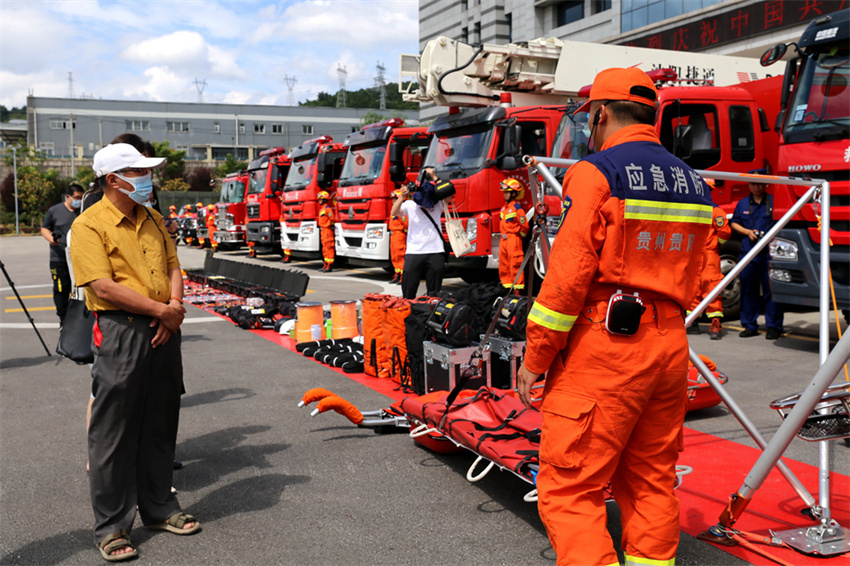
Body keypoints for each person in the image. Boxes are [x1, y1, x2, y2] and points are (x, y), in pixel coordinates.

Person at [516, 68, 714, 566]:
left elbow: (566, 279)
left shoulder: (595, 172)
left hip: (606, 348)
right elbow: (707, 277)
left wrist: (535, 358)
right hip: (669, 345)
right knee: (651, 481)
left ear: (600, 114)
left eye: (590, 119)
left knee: (569, 487)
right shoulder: (695, 183)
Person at [71, 143, 200, 562]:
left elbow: (173, 266)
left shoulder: (154, 218)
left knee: (160, 421)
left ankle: (160, 508)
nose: (148, 178)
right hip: (122, 329)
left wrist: (173, 311)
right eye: (138, 172)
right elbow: (101, 286)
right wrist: (162, 310)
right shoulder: (89, 225)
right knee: (113, 432)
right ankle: (112, 526)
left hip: (165, 327)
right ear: (113, 180)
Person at [730, 169, 784, 340]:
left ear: (766, 184)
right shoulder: (743, 203)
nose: (756, 187)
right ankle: (749, 325)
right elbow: (734, 224)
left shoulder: (775, 202)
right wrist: (747, 232)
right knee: (748, 290)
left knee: (772, 290)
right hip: (749, 254)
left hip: (770, 254)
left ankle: (774, 326)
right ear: (749, 184)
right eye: (753, 183)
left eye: (759, 183)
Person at [392, 167, 449, 299]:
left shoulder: (438, 204)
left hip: (435, 251)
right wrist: (402, 196)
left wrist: (435, 177)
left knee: (434, 293)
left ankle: (429, 315)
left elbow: (447, 190)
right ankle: (407, 313)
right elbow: (394, 212)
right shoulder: (410, 205)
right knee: (408, 291)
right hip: (414, 252)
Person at [687, 179, 732, 339]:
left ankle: (715, 322)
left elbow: (724, 233)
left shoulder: (714, 211)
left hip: (707, 255)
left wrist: (713, 245)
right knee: (693, 289)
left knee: (711, 287)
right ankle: (692, 321)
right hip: (694, 254)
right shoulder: (692, 210)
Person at [41, 183, 84, 326]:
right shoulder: (55, 211)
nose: (79, 200)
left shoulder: (83, 211)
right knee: (61, 288)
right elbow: (44, 228)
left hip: (78, 258)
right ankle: (63, 320)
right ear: (68, 197)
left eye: (81, 198)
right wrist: (51, 239)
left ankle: (80, 319)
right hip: (59, 258)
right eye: (76, 197)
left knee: (80, 289)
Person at [498, 178, 529, 292]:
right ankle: (506, 289)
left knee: (515, 265)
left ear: (514, 193)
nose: (505, 195)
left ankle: (517, 292)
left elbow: (525, 227)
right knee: (504, 266)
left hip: (513, 240)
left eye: (507, 192)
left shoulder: (517, 209)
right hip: (504, 240)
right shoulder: (504, 208)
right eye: (504, 192)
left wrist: (518, 237)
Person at [388, 188, 408, 284]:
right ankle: (397, 273)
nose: (392, 200)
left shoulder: (401, 210)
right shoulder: (394, 210)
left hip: (399, 235)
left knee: (401, 256)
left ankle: (403, 276)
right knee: (394, 256)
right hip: (393, 235)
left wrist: (403, 234)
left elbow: (406, 224)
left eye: (394, 198)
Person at [317, 190, 336, 272]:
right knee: (324, 248)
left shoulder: (328, 209)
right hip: (323, 230)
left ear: (324, 199)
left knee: (329, 247)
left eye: (320, 199)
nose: (319, 200)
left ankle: (329, 265)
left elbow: (333, 219)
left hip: (327, 230)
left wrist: (329, 225)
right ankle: (325, 264)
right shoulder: (322, 209)